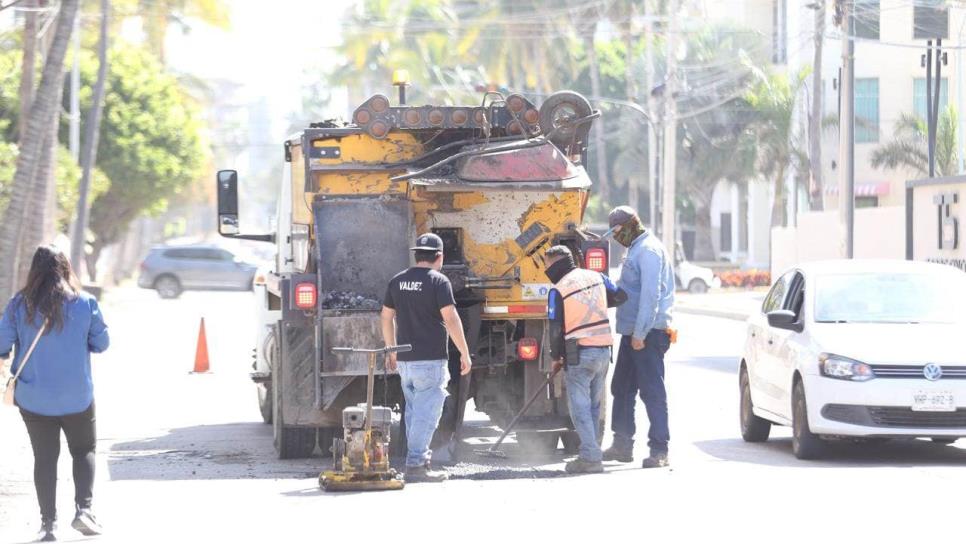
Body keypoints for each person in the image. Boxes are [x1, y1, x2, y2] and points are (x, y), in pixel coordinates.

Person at [0, 245, 110, 541]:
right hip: (77, 396)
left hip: (34, 399)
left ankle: (48, 525)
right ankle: (83, 511)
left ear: (34, 271)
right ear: (65, 269)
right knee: (83, 450)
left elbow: (1, 345)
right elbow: (102, 344)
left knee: (45, 459)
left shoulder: (18, 305)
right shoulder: (86, 303)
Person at [380, 233, 472, 483]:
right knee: (427, 413)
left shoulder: (397, 281)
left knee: (413, 412)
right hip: (430, 360)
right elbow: (451, 319)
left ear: (416, 254)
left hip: (406, 362)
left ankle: (417, 459)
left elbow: (386, 317)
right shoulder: (438, 281)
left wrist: (391, 349)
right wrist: (464, 352)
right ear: (439, 257)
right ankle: (416, 465)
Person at [603, 206, 675, 469]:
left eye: (618, 231)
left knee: (652, 391)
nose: (616, 237)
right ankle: (622, 444)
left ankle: (659, 450)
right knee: (621, 388)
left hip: (647, 334)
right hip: (632, 332)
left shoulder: (649, 251)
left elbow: (650, 296)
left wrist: (641, 334)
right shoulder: (635, 248)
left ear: (631, 225)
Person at [544, 246, 626, 474]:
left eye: (547, 265)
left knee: (579, 408)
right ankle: (592, 451)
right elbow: (620, 295)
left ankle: (590, 457)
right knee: (593, 406)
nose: (546, 270)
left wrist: (555, 357)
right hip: (603, 351)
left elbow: (555, 328)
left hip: (579, 354)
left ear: (557, 264)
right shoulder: (596, 276)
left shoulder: (557, 289)